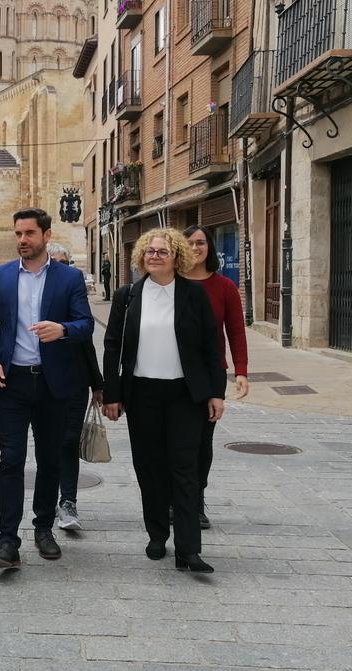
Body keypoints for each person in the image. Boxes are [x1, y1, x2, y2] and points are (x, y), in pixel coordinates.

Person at [102, 228, 226, 575]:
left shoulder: (194, 295)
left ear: (177, 257)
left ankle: (189, 549)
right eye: (149, 251)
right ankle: (157, 534)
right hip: (142, 395)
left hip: (185, 396)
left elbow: (211, 347)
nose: (154, 256)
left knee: (185, 469)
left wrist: (217, 392)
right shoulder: (127, 296)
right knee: (150, 468)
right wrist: (112, 394)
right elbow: (112, 346)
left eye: (162, 251)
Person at [0, 208, 94, 569]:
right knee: (10, 460)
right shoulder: (0, 277)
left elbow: (86, 323)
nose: (22, 240)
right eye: (18, 234)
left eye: (29, 233)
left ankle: (43, 528)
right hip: (11, 383)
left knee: (48, 460)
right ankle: (7, 541)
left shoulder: (69, 278)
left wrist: (63, 330)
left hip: (52, 384)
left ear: (46, 235)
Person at [182, 225, 249, 529]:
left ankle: (196, 500)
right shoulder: (172, 283)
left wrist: (241, 371)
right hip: (174, 374)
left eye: (201, 242)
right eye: (190, 243)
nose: (196, 248)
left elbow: (235, 331)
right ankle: (175, 499)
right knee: (173, 441)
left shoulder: (224, 287)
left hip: (211, 375)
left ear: (209, 247)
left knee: (201, 441)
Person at [45, 243, 104, 532]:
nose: (60, 268)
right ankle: (47, 499)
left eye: (65, 263)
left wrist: (98, 384)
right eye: (54, 262)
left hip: (75, 380)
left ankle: (67, 501)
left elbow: (87, 343)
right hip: (43, 380)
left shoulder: (75, 296)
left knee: (69, 439)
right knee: (51, 442)